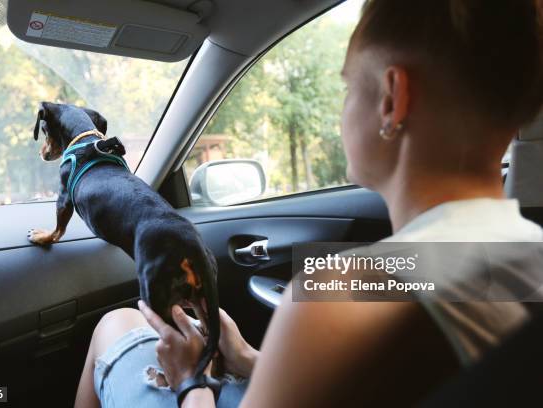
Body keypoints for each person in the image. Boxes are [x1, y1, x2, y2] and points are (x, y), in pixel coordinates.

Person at [75, 0, 543, 406]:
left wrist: (190, 379)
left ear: (392, 100)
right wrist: (248, 359)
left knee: (113, 328)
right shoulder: (527, 255)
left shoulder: (344, 291)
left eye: (347, 88)